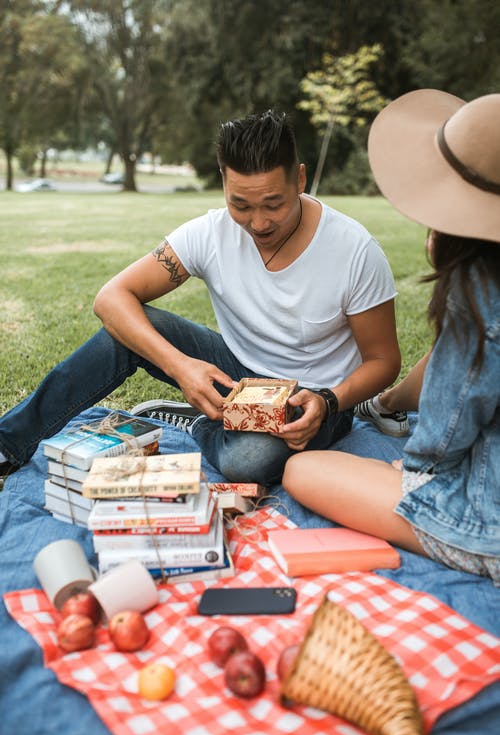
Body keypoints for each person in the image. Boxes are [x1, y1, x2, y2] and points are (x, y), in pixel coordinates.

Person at [0, 110, 401, 486]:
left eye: (273, 204)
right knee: (121, 331)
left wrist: (331, 401)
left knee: (247, 463)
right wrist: (181, 368)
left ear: (299, 179)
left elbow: (384, 362)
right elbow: (111, 298)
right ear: (224, 180)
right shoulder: (208, 233)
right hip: (235, 372)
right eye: (240, 204)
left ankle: (197, 421)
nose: (258, 223)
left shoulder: (355, 251)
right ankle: (8, 442)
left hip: (313, 398)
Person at [282, 90, 500, 582]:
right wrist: (386, 402)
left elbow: (439, 443)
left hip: (484, 522)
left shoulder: (482, 289)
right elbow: (459, 364)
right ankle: (382, 410)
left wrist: (405, 472)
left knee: (303, 471)